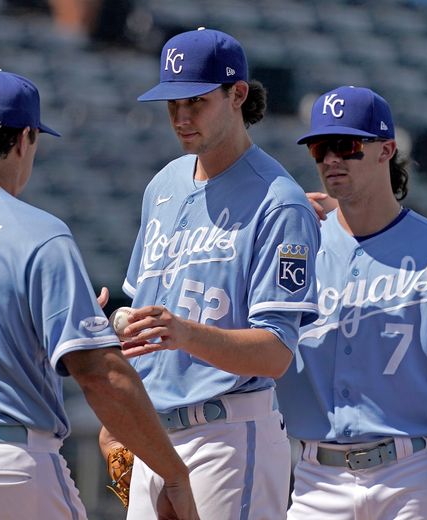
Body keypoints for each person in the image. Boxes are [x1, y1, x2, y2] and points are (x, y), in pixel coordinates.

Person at [0, 68, 197, 520]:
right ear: (25, 138)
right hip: (3, 465)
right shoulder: (37, 232)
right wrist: (174, 474)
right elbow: (101, 376)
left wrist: (59, 328)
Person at [98, 28, 320, 519]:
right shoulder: (162, 185)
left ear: (237, 94)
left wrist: (183, 333)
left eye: (195, 101)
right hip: (153, 428)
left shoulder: (278, 202)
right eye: (172, 103)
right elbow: (139, 321)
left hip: (229, 432)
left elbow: (277, 354)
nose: (181, 116)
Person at [279, 86, 427, 520]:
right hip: (317, 477)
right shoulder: (293, 247)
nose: (331, 159)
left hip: (409, 474)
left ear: (386, 150)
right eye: (320, 148)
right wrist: (276, 220)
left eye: (347, 145)